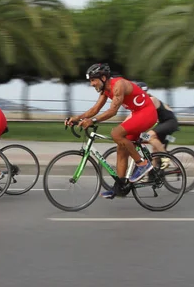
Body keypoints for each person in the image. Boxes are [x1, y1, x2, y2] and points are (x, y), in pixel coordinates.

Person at [65, 63, 158, 198]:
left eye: (93, 80)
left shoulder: (118, 85)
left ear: (103, 78)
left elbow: (113, 111)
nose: (91, 84)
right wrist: (77, 118)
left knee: (116, 133)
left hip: (147, 113)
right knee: (121, 148)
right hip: (137, 114)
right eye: (90, 81)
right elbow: (95, 109)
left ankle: (142, 164)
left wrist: (93, 121)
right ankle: (120, 187)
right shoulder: (105, 90)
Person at [135, 82, 179, 167]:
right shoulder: (144, 102)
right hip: (163, 123)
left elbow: (147, 119)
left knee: (149, 136)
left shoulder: (151, 100)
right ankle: (153, 175)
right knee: (155, 150)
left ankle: (166, 158)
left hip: (170, 122)